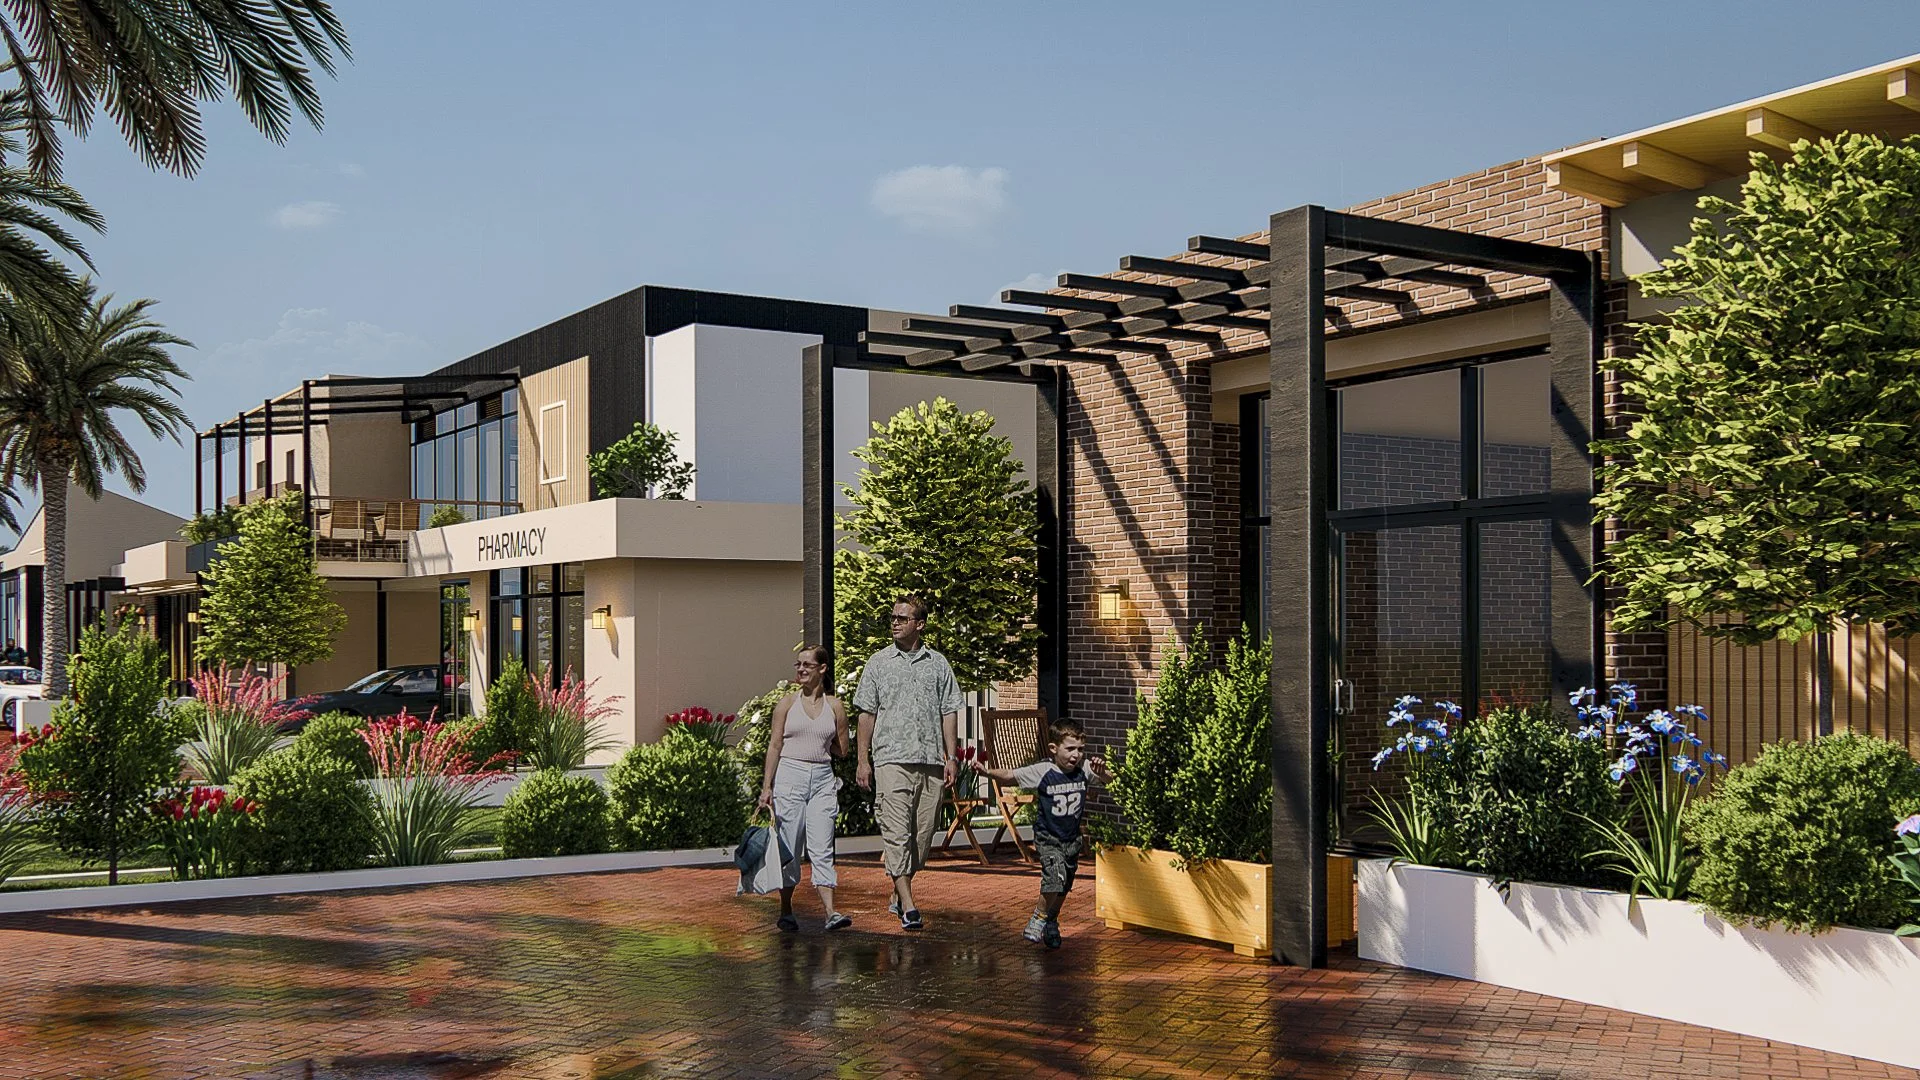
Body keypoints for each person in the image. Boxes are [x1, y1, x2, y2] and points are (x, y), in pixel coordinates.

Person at [853, 595, 962, 931]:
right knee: (898, 834)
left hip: (929, 759)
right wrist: (862, 760)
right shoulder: (878, 663)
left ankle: (898, 892)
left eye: (902, 618)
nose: (895, 622)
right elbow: (866, 714)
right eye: (893, 617)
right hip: (890, 760)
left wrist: (952, 756)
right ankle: (910, 905)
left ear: (920, 624)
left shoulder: (938, 664)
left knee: (923, 837)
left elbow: (949, 712)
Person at [976, 717, 1111, 949]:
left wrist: (1104, 772)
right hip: (1048, 837)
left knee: (1065, 884)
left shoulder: (1085, 769)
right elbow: (1010, 775)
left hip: (1072, 839)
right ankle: (1038, 917)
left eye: (1080, 749)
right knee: (1055, 877)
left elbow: (1110, 781)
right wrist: (987, 772)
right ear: (1053, 748)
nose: (1075, 755)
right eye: (1069, 749)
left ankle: (1051, 920)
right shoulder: (1044, 770)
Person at [755, 644, 853, 933]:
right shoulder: (786, 704)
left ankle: (831, 913)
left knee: (822, 847)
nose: (800, 670)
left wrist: (825, 742)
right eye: (798, 664)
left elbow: (842, 750)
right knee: (790, 845)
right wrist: (766, 787)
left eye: (807, 665)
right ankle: (786, 909)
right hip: (790, 775)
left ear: (822, 669)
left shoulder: (835, 706)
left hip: (822, 777)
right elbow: (775, 745)